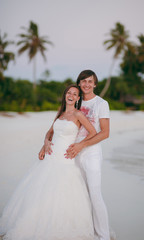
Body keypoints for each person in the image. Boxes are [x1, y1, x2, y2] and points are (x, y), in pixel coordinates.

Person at [0, 84, 97, 240]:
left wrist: (80, 145)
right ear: (65, 95)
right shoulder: (61, 114)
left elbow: (93, 132)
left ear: (78, 98)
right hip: (50, 158)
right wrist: (45, 143)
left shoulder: (79, 115)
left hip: (65, 160)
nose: (71, 95)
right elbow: (49, 132)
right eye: (69, 93)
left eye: (74, 94)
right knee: (39, 191)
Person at [40, 70, 114, 240]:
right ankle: (87, 229)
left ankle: (102, 235)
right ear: (79, 84)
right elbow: (57, 127)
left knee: (95, 194)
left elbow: (105, 133)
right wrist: (45, 143)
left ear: (95, 84)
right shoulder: (75, 103)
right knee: (80, 195)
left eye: (90, 81)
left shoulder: (101, 103)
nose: (87, 84)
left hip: (91, 153)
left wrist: (82, 145)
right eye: (83, 81)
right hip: (71, 155)